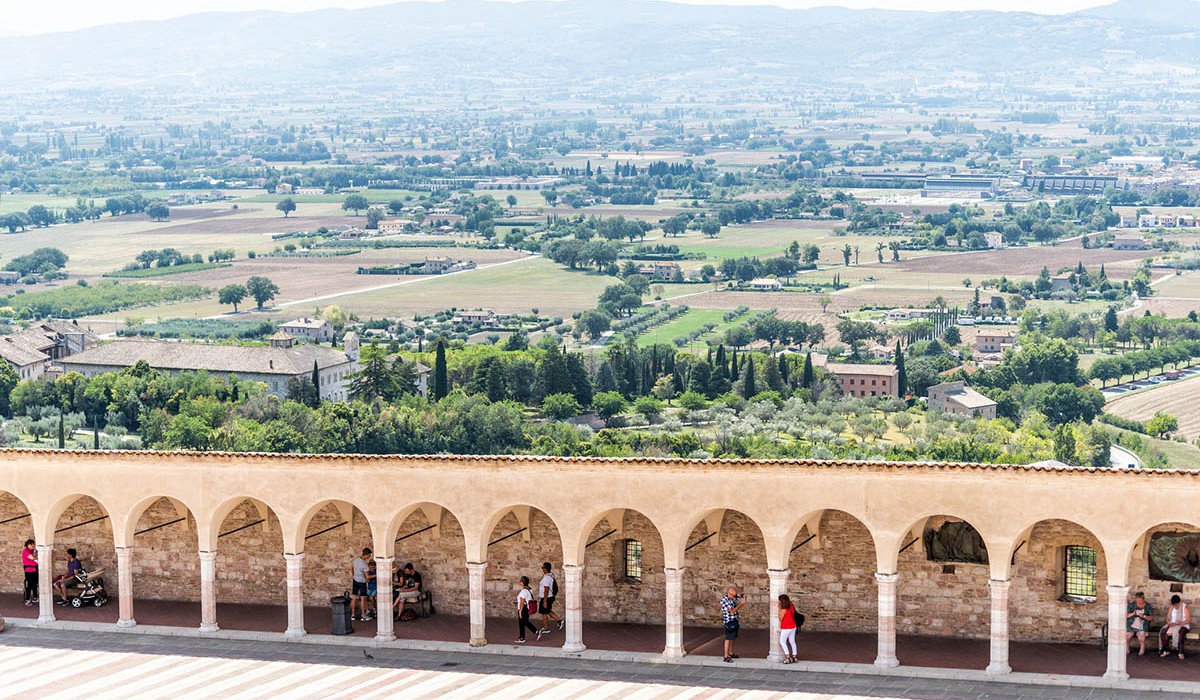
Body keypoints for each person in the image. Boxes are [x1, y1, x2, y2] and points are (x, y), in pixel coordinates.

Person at [1160, 594, 1191, 660]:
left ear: (1180, 602)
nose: (1175, 606)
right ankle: (1165, 650)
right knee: (1163, 632)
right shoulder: (1171, 607)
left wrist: (1180, 623)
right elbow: (1167, 618)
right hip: (1173, 624)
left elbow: (1188, 620)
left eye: (1177, 605)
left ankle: (1180, 652)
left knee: (1180, 633)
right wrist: (1169, 623)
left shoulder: (1184, 607)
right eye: (1174, 605)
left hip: (1183, 625)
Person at [720, 586, 745, 663]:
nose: (734, 597)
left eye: (735, 595)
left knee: (732, 638)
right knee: (728, 639)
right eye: (733, 596)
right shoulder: (724, 601)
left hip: (735, 620)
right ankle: (725, 656)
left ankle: (731, 653)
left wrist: (742, 596)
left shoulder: (733, 597)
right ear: (729, 594)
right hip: (729, 622)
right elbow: (732, 611)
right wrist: (741, 604)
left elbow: (741, 595)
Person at [538, 562, 563, 633]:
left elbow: (546, 589)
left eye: (543, 568)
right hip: (549, 597)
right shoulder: (550, 575)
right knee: (547, 610)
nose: (542, 569)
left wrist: (545, 601)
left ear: (545, 568)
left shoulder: (547, 578)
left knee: (544, 613)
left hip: (547, 598)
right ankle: (559, 621)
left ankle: (546, 628)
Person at [515, 575, 542, 643]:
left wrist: (520, 611)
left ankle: (535, 632)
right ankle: (522, 637)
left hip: (523, 608)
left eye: (520, 581)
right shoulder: (529, 589)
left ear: (523, 582)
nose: (519, 582)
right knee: (523, 623)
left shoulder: (523, 591)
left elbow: (522, 602)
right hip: (526, 608)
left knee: (524, 622)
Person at [1126, 591, 1154, 656]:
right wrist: (1133, 613)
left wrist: (1144, 616)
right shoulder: (1131, 605)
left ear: (1143, 599)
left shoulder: (1147, 606)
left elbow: (1151, 618)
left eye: (1140, 600)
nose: (1138, 601)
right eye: (1137, 600)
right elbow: (1126, 615)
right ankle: (1127, 648)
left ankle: (1142, 649)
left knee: (1141, 635)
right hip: (1131, 624)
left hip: (1142, 624)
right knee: (1128, 636)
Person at [350, 547, 373, 622]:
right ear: (367, 555)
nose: (369, 557)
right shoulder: (365, 564)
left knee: (354, 597)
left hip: (355, 580)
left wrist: (354, 575)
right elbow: (368, 576)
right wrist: (377, 574)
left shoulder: (355, 560)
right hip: (362, 582)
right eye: (369, 555)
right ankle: (363, 615)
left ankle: (352, 615)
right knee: (363, 598)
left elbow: (352, 568)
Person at [778, 594, 800, 664]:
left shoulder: (783, 609)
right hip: (793, 626)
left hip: (786, 627)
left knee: (782, 641)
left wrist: (779, 609)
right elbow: (793, 612)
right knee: (792, 641)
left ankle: (788, 657)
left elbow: (780, 618)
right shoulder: (791, 604)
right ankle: (794, 656)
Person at [21, 539, 37, 607]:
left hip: (34, 569)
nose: (33, 545)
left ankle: (35, 597)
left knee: (34, 584)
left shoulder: (32, 550)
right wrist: (36, 556)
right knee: (29, 585)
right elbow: (33, 558)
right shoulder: (26, 551)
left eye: (33, 544)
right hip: (29, 570)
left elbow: (35, 555)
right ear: (28, 545)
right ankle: (27, 599)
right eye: (31, 544)